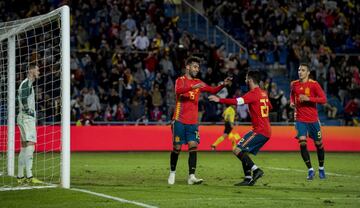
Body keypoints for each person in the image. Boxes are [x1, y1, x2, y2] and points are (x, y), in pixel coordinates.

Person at [168, 56, 231, 185]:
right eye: (195, 67)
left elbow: (212, 90)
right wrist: (192, 87)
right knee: (177, 147)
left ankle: (191, 176)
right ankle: (172, 172)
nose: (197, 69)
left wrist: (223, 84)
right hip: (179, 119)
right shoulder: (180, 80)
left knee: (193, 146)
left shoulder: (199, 82)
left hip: (192, 122)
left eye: (198, 67)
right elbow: (178, 91)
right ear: (188, 67)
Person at [209, 70, 272, 186]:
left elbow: (237, 101)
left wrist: (220, 100)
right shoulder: (263, 93)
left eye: (246, 78)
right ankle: (248, 178)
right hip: (265, 129)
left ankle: (256, 170)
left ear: (251, 80)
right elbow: (270, 107)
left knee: (237, 149)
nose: (245, 80)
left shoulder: (253, 93)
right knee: (243, 150)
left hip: (260, 130)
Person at [290, 63, 327, 180]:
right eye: (299, 70)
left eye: (303, 70)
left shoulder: (314, 85)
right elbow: (292, 94)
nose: (300, 72)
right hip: (301, 120)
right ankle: (310, 170)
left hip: (313, 120)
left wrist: (309, 99)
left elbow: (323, 99)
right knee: (302, 142)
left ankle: (321, 168)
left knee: (319, 144)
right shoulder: (294, 84)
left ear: (308, 72)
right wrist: (292, 102)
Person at [17, 63, 42, 184]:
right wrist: (29, 111)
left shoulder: (27, 83)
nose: (39, 72)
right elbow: (23, 99)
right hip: (26, 118)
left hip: (22, 117)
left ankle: (20, 176)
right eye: (37, 70)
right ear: (31, 70)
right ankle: (29, 176)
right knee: (31, 144)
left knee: (24, 146)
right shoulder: (27, 84)